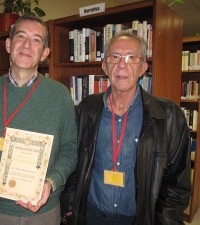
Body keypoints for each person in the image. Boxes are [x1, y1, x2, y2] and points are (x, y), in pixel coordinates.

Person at [0, 15, 77, 225]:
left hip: (42, 208)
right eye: (21, 36)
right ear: (8, 44)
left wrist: (51, 183)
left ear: (45, 53)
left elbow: (70, 149)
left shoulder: (60, 95)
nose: (27, 45)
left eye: (36, 40)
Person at [69, 32, 191, 225]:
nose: (122, 65)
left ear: (143, 67)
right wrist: (70, 207)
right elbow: (73, 163)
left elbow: (176, 185)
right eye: (114, 57)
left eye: (131, 58)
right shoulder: (86, 110)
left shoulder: (168, 116)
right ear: (104, 66)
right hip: (90, 216)